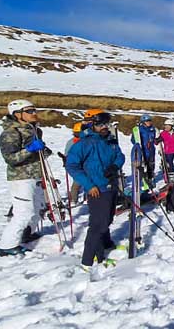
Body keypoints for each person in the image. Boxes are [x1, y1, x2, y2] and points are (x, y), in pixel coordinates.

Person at [66, 111, 125, 269]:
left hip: (110, 185)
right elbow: (72, 165)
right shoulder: (84, 144)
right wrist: (88, 185)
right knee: (98, 224)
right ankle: (88, 260)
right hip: (96, 189)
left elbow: (120, 156)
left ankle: (106, 245)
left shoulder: (110, 141)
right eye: (100, 124)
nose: (104, 127)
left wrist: (114, 166)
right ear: (92, 125)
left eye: (106, 124)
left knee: (108, 219)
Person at [0, 99, 47, 257]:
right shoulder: (11, 132)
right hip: (21, 177)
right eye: (29, 111)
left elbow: (38, 153)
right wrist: (30, 149)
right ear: (18, 114)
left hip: (36, 174)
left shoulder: (34, 130)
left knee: (39, 208)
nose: (34, 113)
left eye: (34, 110)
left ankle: (26, 233)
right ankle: (7, 245)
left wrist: (44, 150)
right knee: (24, 212)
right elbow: (10, 158)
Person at [131, 114, 157, 183]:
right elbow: (133, 140)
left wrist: (156, 140)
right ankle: (143, 179)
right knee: (143, 165)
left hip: (151, 150)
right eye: (147, 121)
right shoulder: (139, 129)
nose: (149, 122)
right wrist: (137, 145)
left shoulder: (152, 129)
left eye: (149, 121)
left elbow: (154, 139)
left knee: (151, 165)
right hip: (143, 150)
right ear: (143, 122)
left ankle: (150, 178)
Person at [63, 122, 83, 203]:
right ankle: (73, 200)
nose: (77, 135)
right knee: (77, 183)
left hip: (87, 165)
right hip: (77, 166)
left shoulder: (87, 141)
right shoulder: (71, 142)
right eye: (76, 133)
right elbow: (67, 154)